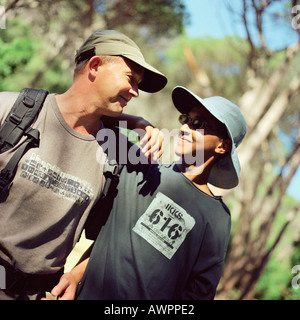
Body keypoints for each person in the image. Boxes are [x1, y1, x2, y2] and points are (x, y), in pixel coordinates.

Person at [0, 29, 167, 300]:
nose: (136, 92)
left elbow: (127, 232)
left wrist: (76, 275)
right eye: (130, 79)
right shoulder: (10, 112)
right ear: (95, 66)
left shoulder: (122, 154)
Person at [48, 86, 247, 300]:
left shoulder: (217, 217)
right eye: (185, 119)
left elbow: (198, 293)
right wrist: (140, 123)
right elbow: (93, 115)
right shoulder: (143, 169)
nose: (185, 128)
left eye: (198, 124)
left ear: (222, 146)